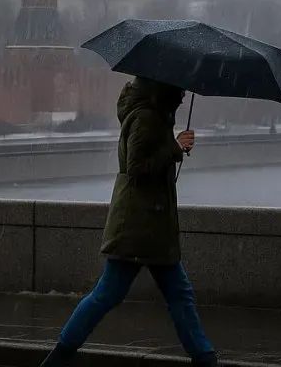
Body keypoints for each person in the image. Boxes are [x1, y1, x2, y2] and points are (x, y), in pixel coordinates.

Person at [39, 76, 219, 367]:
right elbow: (136, 167)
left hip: (144, 225)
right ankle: (205, 359)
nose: (184, 95)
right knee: (121, 295)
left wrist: (173, 148)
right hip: (141, 226)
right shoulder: (148, 117)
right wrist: (174, 148)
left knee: (120, 295)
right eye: (181, 89)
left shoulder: (151, 112)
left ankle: (58, 358)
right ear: (166, 87)